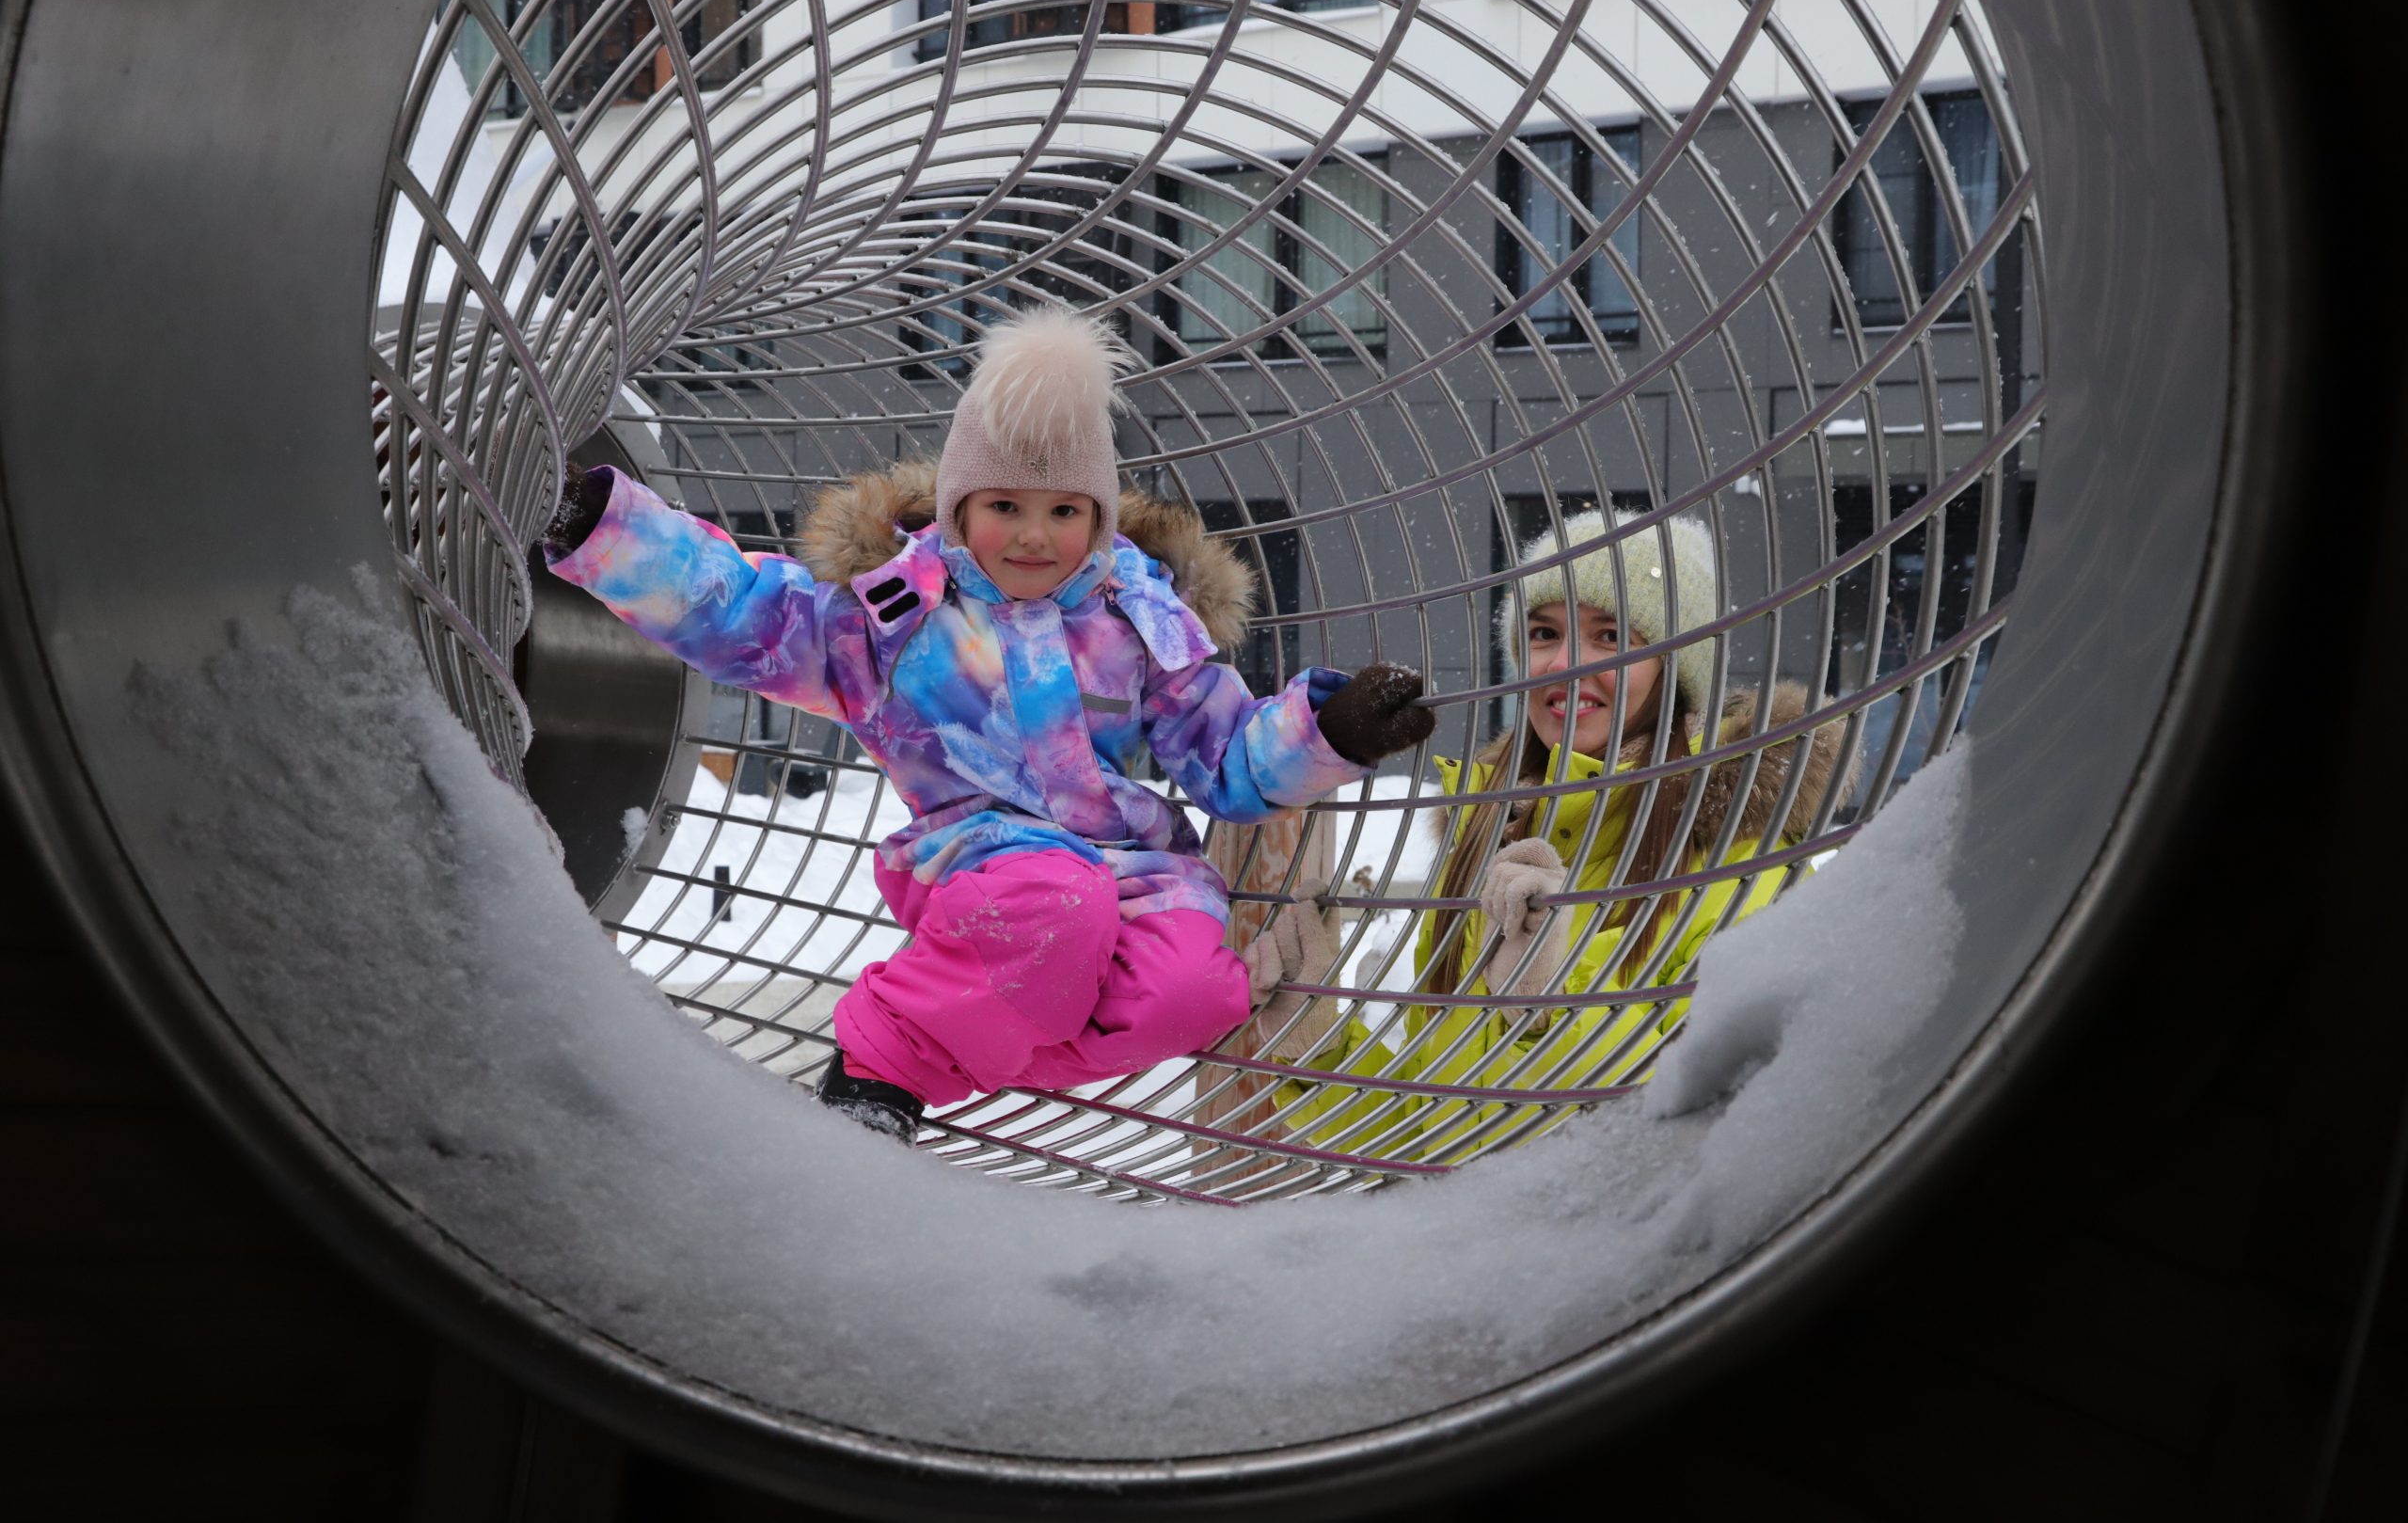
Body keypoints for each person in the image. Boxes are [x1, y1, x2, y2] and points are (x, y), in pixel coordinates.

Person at [540, 305, 1434, 1141]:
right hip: (981, 858)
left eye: (1064, 511)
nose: (1035, 535)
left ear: (1099, 516)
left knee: (1195, 995)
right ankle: (881, 1057)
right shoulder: (894, 615)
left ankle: (976, 1044)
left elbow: (1225, 755)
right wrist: (610, 533)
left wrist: (1334, 731)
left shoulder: (1141, 620)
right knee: (1056, 904)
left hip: (1132, 865)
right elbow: (741, 607)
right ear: (962, 506)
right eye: (1006, 506)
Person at [1275, 506, 1853, 1161]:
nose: (1566, 665)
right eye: (1544, 633)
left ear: (1678, 664)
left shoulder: (1742, 858)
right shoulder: (1485, 839)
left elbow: (1702, 1121)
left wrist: (1547, 1011)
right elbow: (1431, 1131)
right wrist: (1315, 1044)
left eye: (1611, 634)